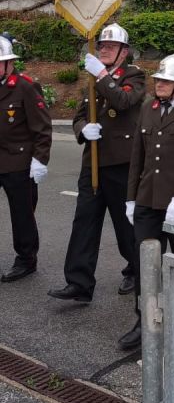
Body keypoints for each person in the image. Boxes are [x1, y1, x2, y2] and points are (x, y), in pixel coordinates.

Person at [117, 52, 174, 351]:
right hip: (148, 199)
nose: (159, 84)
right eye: (158, 79)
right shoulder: (149, 107)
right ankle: (145, 319)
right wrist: (131, 198)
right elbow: (138, 155)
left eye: (166, 81)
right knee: (145, 263)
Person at [48, 23, 144, 304]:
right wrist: (83, 130)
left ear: (124, 52)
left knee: (125, 224)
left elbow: (123, 101)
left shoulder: (134, 75)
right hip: (93, 161)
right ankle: (79, 282)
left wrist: (102, 75)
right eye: (102, 45)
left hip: (121, 163)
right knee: (84, 221)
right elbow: (79, 116)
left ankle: (138, 270)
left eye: (111, 46)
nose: (104, 50)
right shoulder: (93, 78)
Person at [0, 34, 51, 283]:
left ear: (10, 63)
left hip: (19, 162)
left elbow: (42, 127)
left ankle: (26, 259)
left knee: (22, 214)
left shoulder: (25, 87)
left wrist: (40, 160)